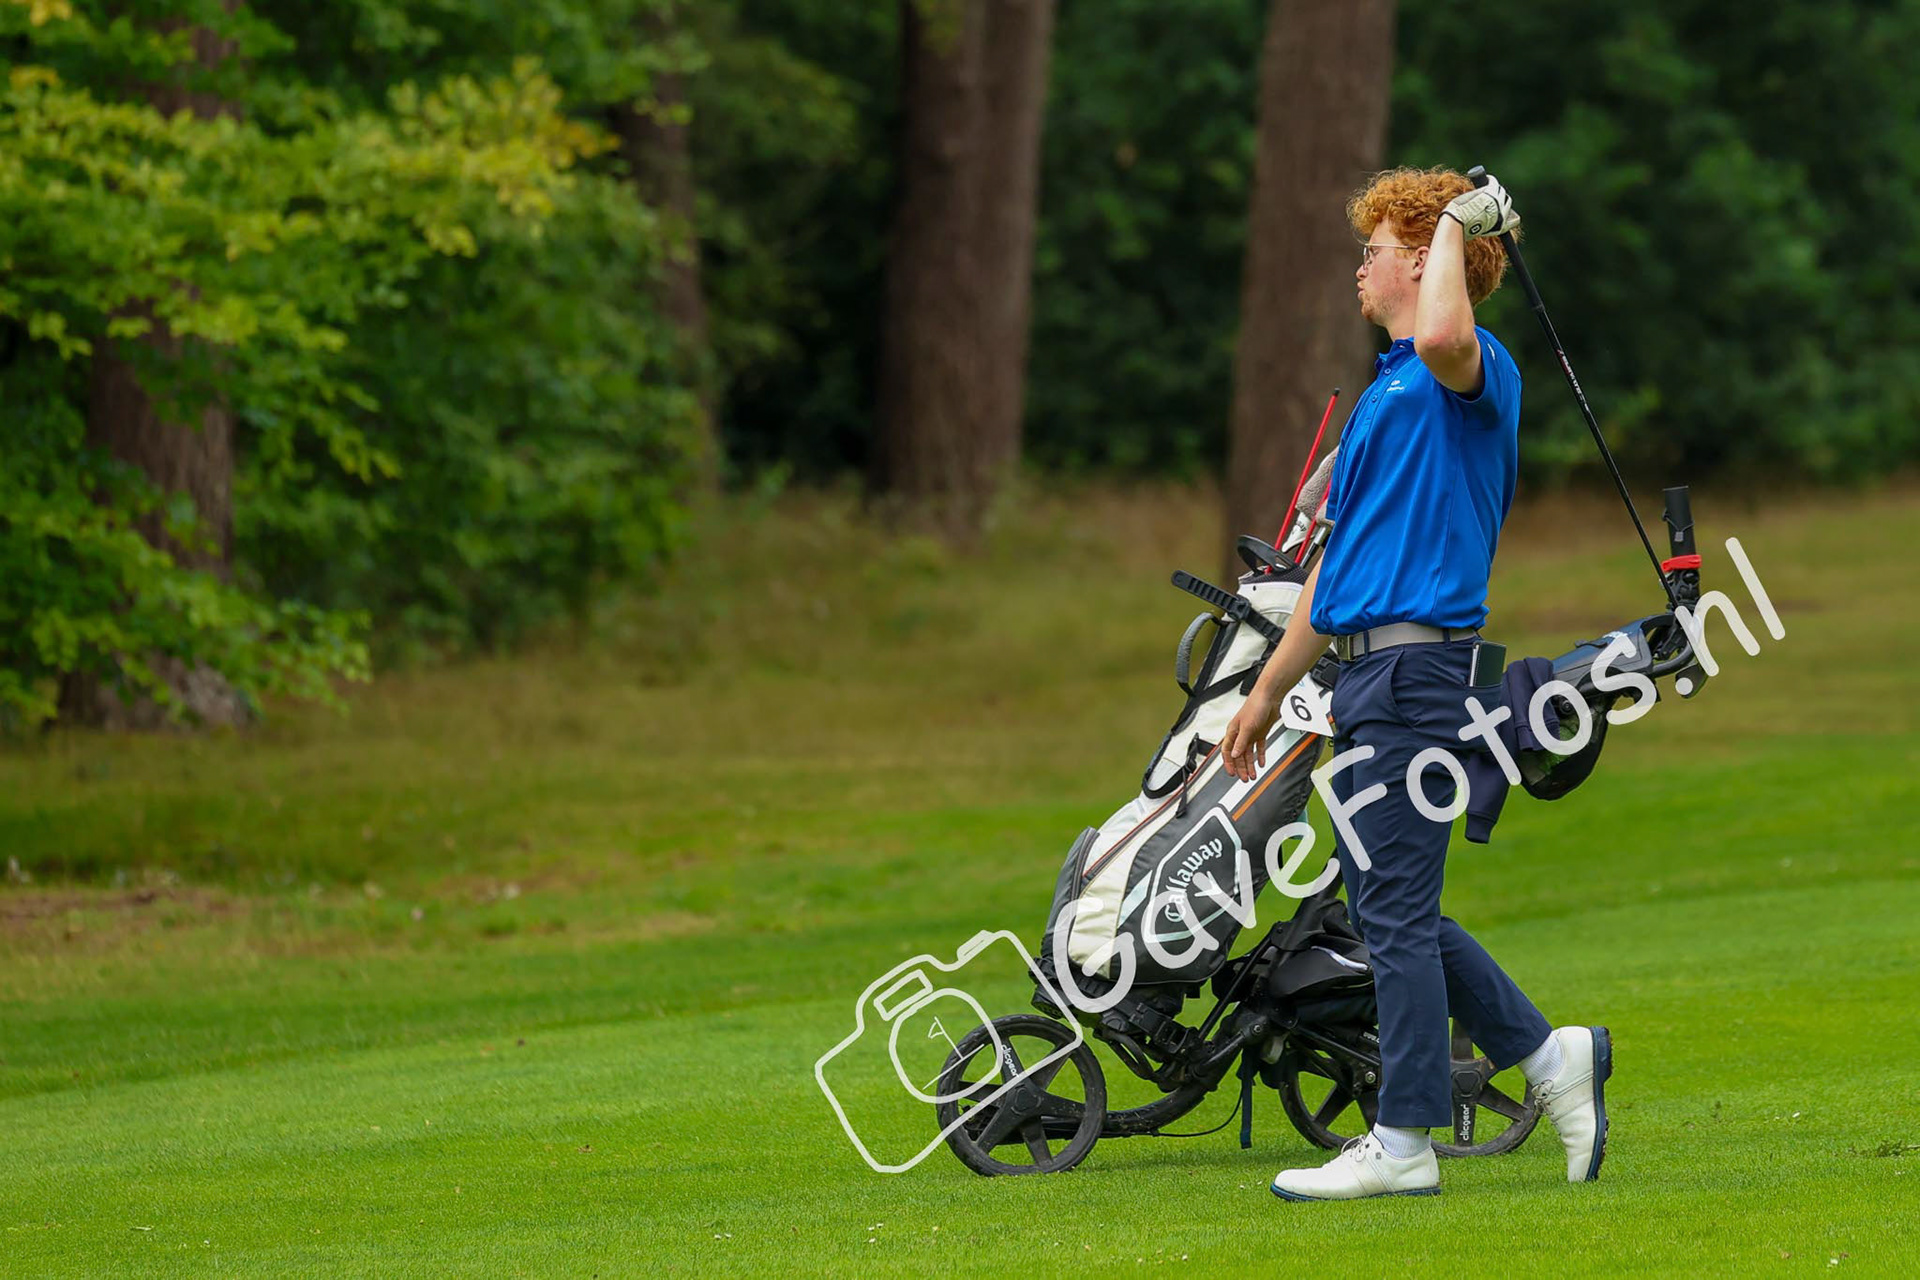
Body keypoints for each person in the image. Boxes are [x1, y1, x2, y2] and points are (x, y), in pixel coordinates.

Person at [1216, 167, 1611, 1201]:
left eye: (1382, 245)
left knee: (1388, 906)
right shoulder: (1389, 393)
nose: (1363, 261)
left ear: (1430, 258)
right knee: (1389, 901)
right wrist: (1264, 691)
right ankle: (1549, 1056)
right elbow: (1333, 576)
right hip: (1366, 674)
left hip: (1422, 667)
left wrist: (1449, 229)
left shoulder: (1468, 371)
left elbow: (1445, 334)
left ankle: (1404, 1140)